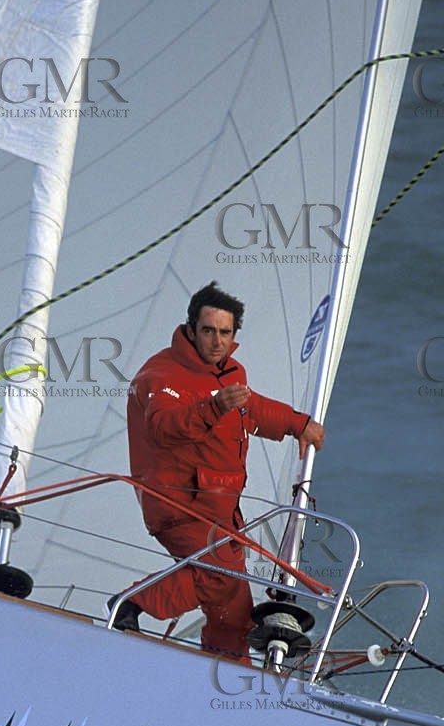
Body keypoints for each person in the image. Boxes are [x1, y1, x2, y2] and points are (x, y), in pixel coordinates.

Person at [110, 280, 325, 660]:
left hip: (219, 510)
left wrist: (297, 423)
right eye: (208, 331)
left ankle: (225, 667)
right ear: (191, 329)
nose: (216, 341)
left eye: (225, 332)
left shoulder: (230, 372)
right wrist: (213, 408)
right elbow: (162, 427)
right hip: (177, 505)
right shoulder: (161, 375)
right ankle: (133, 603)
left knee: (233, 605)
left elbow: (251, 407)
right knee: (219, 577)